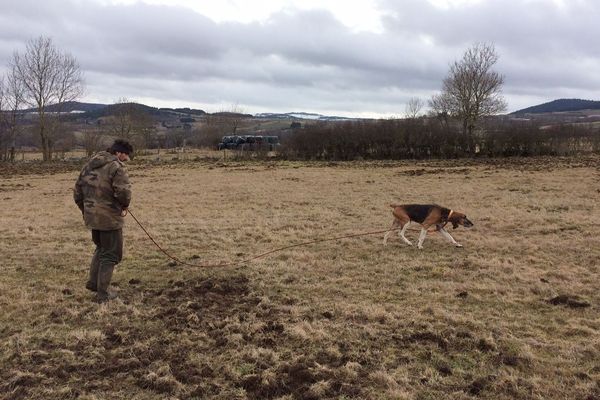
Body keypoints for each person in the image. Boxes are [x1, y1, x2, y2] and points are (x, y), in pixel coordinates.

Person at [74, 139, 133, 303]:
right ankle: (103, 293)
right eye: (126, 155)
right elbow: (124, 192)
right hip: (109, 219)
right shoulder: (116, 167)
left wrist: (87, 211)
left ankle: (94, 283)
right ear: (118, 153)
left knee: (101, 248)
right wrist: (123, 205)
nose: (127, 159)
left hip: (92, 217)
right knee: (111, 254)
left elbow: (77, 192)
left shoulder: (89, 165)